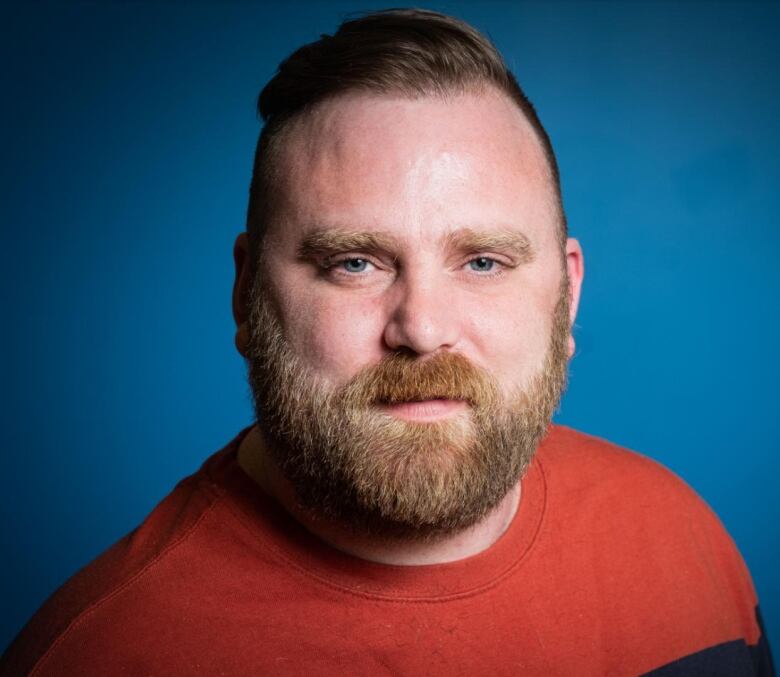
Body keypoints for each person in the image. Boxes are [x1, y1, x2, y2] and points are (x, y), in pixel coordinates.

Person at [2, 8, 773, 676]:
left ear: (567, 295)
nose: (422, 328)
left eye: (482, 261)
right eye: (356, 262)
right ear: (245, 294)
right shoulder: (101, 653)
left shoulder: (681, 541)